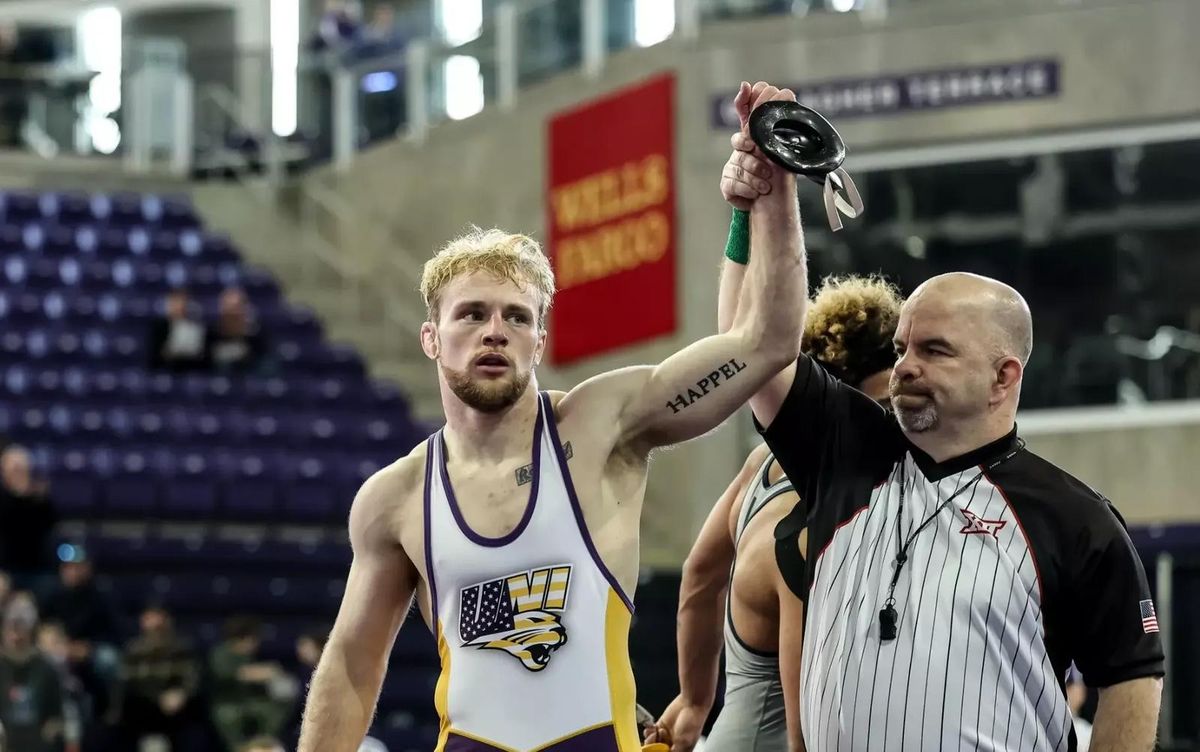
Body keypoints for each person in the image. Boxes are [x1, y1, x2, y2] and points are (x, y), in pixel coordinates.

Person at [298, 81, 807, 752]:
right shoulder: (394, 500)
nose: (494, 332)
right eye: (472, 315)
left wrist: (772, 191)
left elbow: (767, 340)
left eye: (516, 317)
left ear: (539, 340)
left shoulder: (603, 425)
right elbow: (352, 665)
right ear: (432, 339)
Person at [720, 96, 1164, 749]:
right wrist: (772, 194)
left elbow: (1131, 678)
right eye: (901, 348)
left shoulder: (1073, 519)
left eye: (934, 351)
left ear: (1003, 377)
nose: (904, 367)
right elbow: (754, 349)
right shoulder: (845, 450)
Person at [649, 275, 902, 752]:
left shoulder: (760, 469)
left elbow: (700, 577)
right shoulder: (813, 531)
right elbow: (804, 724)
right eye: (881, 407)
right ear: (835, 407)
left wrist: (694, 698)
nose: (893, 424)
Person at [209, 616, 291, 750]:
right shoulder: (221, 653)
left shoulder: (251, 655)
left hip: (251, 700)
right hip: (227, 702)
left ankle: (266, 745)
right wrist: (263, 672)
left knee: (272, 709)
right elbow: (235, 674)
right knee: (228, 717)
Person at [0, 609, 64, 752]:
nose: (16, 637)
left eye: (21, 630)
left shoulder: (47, 669)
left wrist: (52, 729)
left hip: (37, 742)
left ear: (31, 634)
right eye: (11, 631)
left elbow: (57, 714)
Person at [0, 445, 58, 591]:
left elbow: (50, 523)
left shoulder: (39, 499)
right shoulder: (3, 499)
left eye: (20, 469)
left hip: (38, 568)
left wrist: (29, 496)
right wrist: (17, 496)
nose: (17, 475)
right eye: (13, 470)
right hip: (5, 568)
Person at [206, 286, 267, 374]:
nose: (232, 314)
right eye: (228, 308)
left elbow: (264, 369)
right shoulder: (210, 336)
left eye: (236, 308)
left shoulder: (257, 338)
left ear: (244, 310)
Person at [148, 287, 208, 372]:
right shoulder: (159, 327)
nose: (178, 306)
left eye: (182, 302)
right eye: (175, 302)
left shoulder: (197, 326)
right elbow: (153, 358)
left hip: (190, 370)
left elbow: (201, 357)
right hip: (166, 370)